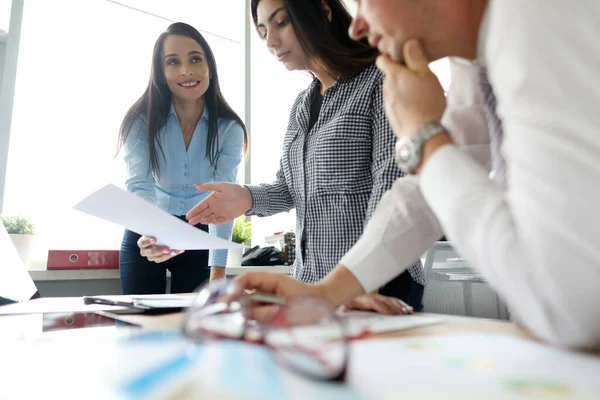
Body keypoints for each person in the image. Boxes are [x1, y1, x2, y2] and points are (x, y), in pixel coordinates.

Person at [232, 0, 600, 349]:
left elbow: (568, 304)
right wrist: (328, 291)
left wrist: (423, 139)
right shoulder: (471, 60)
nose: (357, 25)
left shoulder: (534, 22)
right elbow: (428, 186)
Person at [185, 0, 425, 312]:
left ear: (323, 13)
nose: (270, 41)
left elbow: (390, 192)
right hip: (313, 285)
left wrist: (366, 282)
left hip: (378, 285)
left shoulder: (378, 82)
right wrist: (245, 197)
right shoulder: (301, 106)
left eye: (281, 22)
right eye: (262, 32)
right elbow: (288, 188)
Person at [117, 22, 248, 295]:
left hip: (199, 237)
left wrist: (218, 271)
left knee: (193, 329)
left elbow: (222, 199)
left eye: (195, 59)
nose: (186, 71)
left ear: (209, 67)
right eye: (173, 62)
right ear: (162, 73)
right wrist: (150, 233)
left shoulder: (230, 129)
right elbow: (139, 185)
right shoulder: (139, 122)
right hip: (148, 230)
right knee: (137, 327)